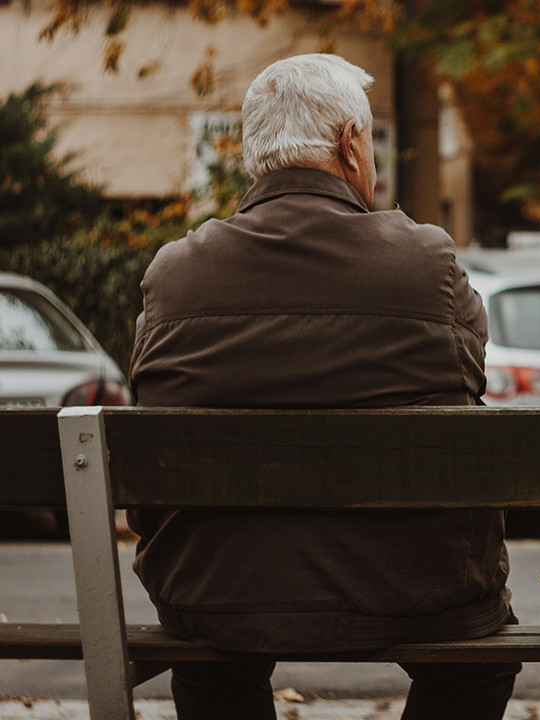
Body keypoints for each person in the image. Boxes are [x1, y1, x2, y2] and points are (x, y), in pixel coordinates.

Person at [128, 53, 518, 720]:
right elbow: (469, 374)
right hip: (417, 589)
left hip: (217, 594)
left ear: (255, 155)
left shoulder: (176, 274)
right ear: (350, 143)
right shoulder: (425, 262)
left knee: (209, 659)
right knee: (478, 660)